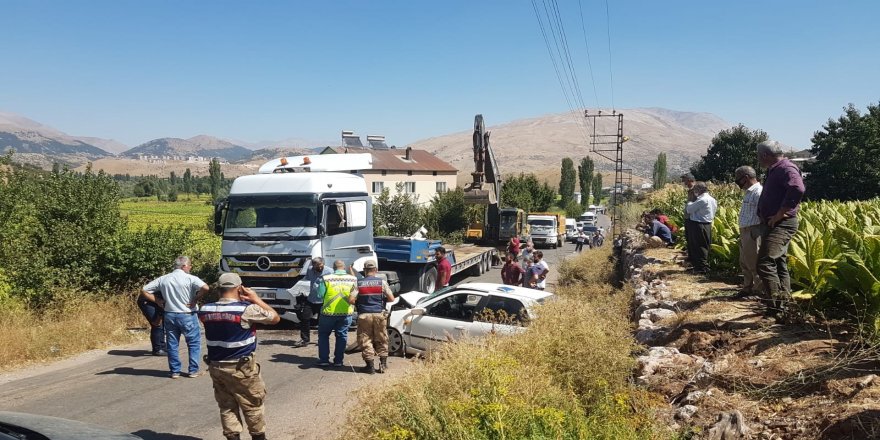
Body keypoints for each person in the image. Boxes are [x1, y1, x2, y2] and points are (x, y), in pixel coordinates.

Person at [198, 273, 280, 440]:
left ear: (219, 289)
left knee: (227, 407)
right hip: (242, 368)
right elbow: (275, 318)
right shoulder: (246, 309)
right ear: (239, 288)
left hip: (216, 366)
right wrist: (255, 298)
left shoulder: (205, 310)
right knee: (252, 406)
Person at [756, 140, 805, 318]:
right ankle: (784, 304)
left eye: (758, 156)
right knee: (778, 262)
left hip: (782, 223)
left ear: (764, 156)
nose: (758, 160)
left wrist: (781, 213)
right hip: (773, 223)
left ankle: (776, 307)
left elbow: (797, 188)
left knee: (764, 262)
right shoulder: (775, 169)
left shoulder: (786, 168)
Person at [141, 256, 209, 379]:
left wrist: (157, 301)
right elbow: (206, 287)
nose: (190, 267)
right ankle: (193, 370)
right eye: (189, 265)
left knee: (172, 344)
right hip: (187, 313)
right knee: (193, 343)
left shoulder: (164, 279)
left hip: (170, 314)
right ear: (184, 266)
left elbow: (144, 290)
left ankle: (175, 371)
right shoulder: (190, 278)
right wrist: (195, 299)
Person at [351, 260, 395, 374]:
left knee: (365, 340)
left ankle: (370, 367)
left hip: (364, 315)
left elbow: (351, 300)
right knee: (381, 338)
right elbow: (391, 299)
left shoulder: (358, 283)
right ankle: (383, 365)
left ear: (365, 270)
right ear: (376, 270)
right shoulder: (382, 283)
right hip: (379, 314)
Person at [316, 260, 358, 367]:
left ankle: (324, 360)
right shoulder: (353, 279)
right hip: (346, 313)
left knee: (324, 335)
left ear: (333, 268)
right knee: (342, 336)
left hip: (328, 313)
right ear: (343, 268)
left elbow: (320, 295)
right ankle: (338, 361)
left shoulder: (326, 278)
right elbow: (355, 295)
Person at [734, 165, 763, 297]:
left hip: (753, 230)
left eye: (738, 181)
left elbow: (763, 214)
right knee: (745, 261)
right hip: (745, 230)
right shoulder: (749, 192)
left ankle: (759, 291)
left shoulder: (758, 192)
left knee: (754, 262)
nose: (739, 185)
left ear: (746, 178)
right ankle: (747, 287)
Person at [293, 257, 332, 348]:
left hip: (323, 301)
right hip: (311, 299)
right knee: (305, 318)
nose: (319, 268)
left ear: (323, 263)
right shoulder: (310, 270)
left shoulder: (330, 271)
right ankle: (305, 340)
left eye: (320, 265)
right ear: (312, 265)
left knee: (322, 322)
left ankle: (322, 339)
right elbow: (309, 280)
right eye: (316, 266)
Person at [685, 182, 718, 274]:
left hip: (698, 224)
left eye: (695, 190)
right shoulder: (712, 199)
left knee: (698, 246)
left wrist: (690, 201)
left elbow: (689, 209)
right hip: (706, 224)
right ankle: (699, 266)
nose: (694, 192)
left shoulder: (702, 200)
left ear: (699, 190)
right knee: (703, 245)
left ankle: (700, 268)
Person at [136, 290, 166, 356]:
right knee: (157, 324)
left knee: (162, 323)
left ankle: (162, 347)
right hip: (146, 300)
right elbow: (163, 305)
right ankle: (157, 349)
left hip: (157, 301)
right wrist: (160, 316)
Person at [680, 173, 698, 265]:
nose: (684, 183)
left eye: (685, 180)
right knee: (689, 238)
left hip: (693, 218)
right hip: (689, 217)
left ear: (690, 180)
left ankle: (695, 260)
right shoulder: (690, 190)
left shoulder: (696, 190)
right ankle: (690, 257)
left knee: (693, 239)